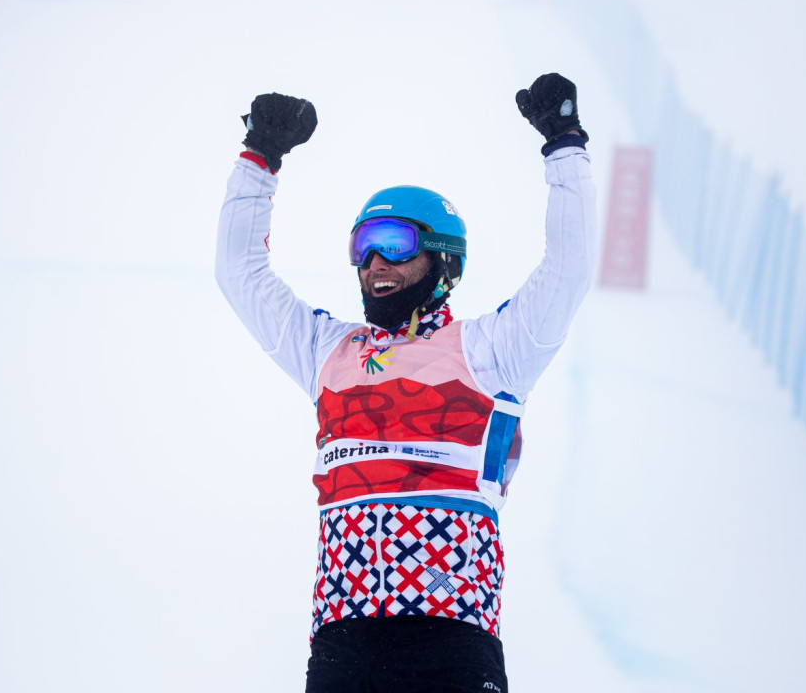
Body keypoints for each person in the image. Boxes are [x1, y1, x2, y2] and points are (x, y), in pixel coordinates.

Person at [215, 73, 597, 692]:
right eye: (363, 247)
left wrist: (566, 146)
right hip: (345, 640)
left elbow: (570, 267)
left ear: (443, 260)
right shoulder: (328, 351)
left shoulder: (493, 349)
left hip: (453, 638)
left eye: (393, 245)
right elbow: (238, 271)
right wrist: (260, 158)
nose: (374, 266)